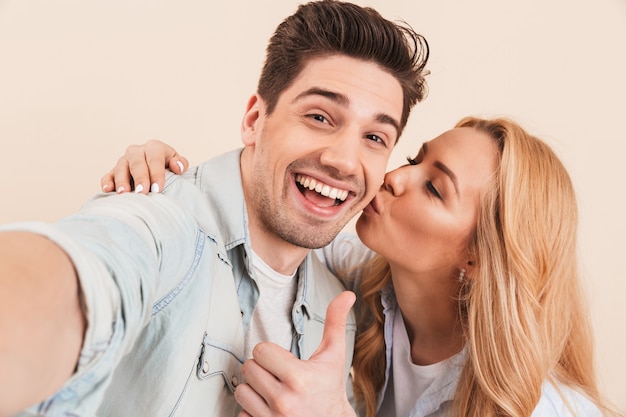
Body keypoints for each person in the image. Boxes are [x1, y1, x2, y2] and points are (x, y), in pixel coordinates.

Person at [0, 1, 430, 416]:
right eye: (320, 117)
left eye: (375, 138)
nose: (345, 161)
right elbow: (95, 265)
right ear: (253, 121)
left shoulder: (338, 299)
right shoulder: (165, 221)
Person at [108, 117, 615, 417]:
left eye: (435, 188)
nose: (394, 177)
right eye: (414, 158)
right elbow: (270, 218)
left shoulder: (542, 407)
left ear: (478, 255)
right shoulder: (371, 279)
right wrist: (170, 174)